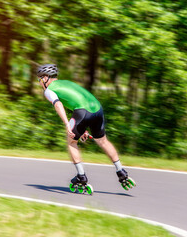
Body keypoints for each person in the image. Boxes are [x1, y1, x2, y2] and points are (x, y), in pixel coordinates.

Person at [37, 64, 135, 192]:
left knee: (71, 142)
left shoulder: (49, 90)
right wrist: (82, 127)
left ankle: (81, 177)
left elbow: (58, 105)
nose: (39, 83)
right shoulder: (66, 82)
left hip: (83, 111)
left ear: (45, 78)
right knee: (103, 141)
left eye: (39, 79)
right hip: (97, 108)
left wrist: (67, 124)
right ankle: (121, 172)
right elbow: (79, 100)